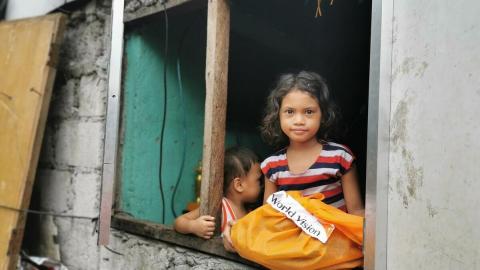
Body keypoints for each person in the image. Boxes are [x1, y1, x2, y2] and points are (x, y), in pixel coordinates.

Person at [223, 71, 364, 252]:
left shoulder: (340, 157)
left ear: (323, 115)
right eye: (290, 112)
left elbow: (356, 212)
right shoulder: (272, 166)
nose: (299, 120)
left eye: (309, 112)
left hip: (333, 249)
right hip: (290, 249)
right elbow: (269, 217)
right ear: (278, 115)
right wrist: (238, 231)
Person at [174, 147, 262, 239]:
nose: (263, 185)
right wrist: (194, 226)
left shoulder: (251, 212)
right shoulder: (220, 207)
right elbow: (179, 222)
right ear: (239, 185)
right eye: (259, 180)